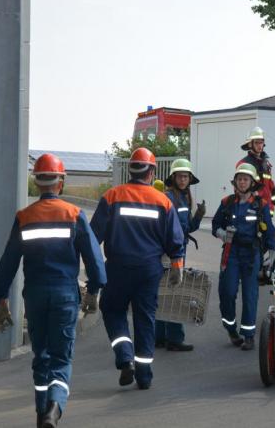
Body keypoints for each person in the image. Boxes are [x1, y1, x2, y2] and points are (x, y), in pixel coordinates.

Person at [0, 153, 106, 428]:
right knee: (61, 358)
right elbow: (94, 260)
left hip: (36, 296)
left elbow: (8, 262)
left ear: (37, 183)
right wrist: (94, 291)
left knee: (41, 356)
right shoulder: (74, 214)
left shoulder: (24, 217)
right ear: (61, 182)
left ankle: (42, 414)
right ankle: (53, 409)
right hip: (64, 295)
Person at [90, 147, 185, 390]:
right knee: (145, 318)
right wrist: (177, 266)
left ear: (131, 169)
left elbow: (93, 238)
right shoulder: (162, 201)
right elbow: (174, 239)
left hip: (117, 268)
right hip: (148, 270)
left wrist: (92, 275)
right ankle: (144, 374)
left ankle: (124, 357)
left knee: (112, 311)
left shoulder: (112, 196)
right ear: (151, 172)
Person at [212, 163, 275, 350]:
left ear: (252, 183)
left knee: (250, 295)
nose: (242, 182)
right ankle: (231, 329)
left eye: (245, 179)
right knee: (227, 292)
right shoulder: (226, 203)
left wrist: (271, 254)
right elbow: (215, 225)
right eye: (239, 179)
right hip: (230, 253)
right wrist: (222, 234)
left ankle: (248, 335)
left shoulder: (260, 205)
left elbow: (269, 232)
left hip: (251, 254)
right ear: (235, 182)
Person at [154, 158, 205, 351]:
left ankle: (158, 338)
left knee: (164, 293)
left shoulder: (184, 198)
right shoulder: (167, 197)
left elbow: (187, 228)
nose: (183, 180)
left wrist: (198, 215)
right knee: (174, 293)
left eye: (186, 176)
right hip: (169, 254)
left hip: (176, 252)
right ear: (173, 177)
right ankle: (174, 339)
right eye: (180, 176)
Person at [236, 126, 275, 219]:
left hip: (267, 212)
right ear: (250, 144)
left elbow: (271, 186)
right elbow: (239, 189)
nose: (260, 145)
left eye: (261, 142)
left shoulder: (266, 164)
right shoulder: (244, 164)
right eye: (257, 142)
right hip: (252, 212)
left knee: (271, 234)